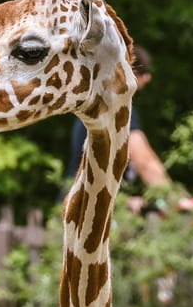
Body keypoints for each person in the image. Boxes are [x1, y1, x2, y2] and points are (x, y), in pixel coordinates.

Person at [66, 43, 171, 202]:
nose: (148, 78)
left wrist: (125, 201)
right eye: (143, 72)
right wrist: (174, 198)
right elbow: (145, 161)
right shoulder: (115, 107)